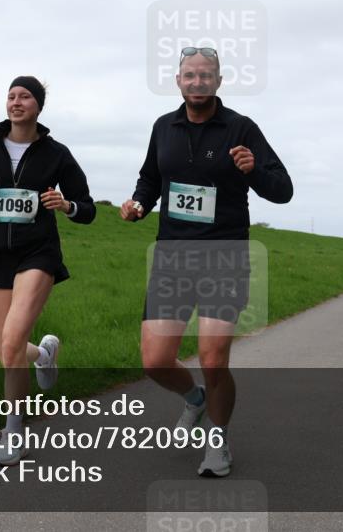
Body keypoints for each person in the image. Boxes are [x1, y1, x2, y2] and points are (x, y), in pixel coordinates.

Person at [120, 47, 293, 478]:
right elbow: (151, 179)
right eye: (190, 75)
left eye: (206, 76)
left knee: (213, 358)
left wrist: (253, 170)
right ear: (178, 81)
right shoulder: (163, 127)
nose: (198, 82)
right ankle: (193, 398)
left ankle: (218, 443)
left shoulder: (241, 128)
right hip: (172, 258)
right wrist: (140, 204)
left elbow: (283, 189)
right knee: (155, 361)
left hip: (224, 255)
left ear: (219, 81)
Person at [0, 76, 96, 465]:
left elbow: (87, 208)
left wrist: (66, 205)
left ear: (38, 106)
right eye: (11, 96)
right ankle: (44, 354)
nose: (16, 102)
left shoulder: (56, 154)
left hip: (38, 252)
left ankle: (13, 432)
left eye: (24, 97)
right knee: (8, 349)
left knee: (12, 339)